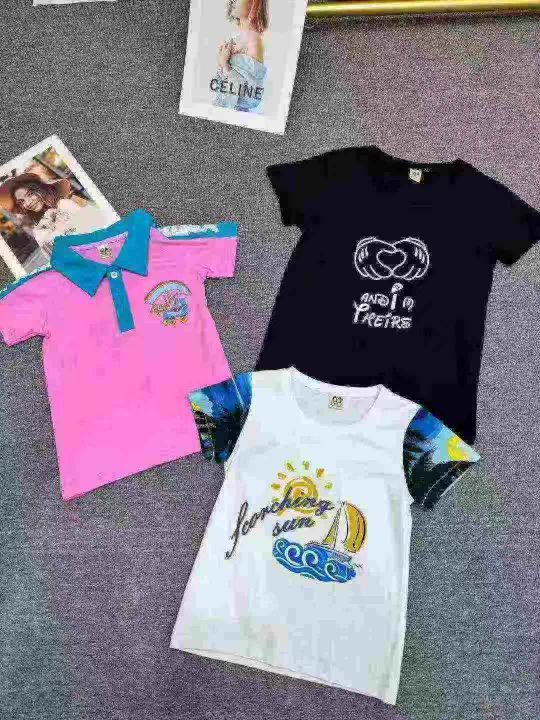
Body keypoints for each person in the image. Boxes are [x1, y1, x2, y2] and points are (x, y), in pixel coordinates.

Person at [0, 173, 104, 256]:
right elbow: (54, 261)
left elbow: (100, 232)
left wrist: (106, 257)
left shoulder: (65, 204)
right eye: (21, 201)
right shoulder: (38, 231)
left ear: (39, 190)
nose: (28, 202)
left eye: (30, 194)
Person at [213, 0, 269, 113]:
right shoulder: (241, 35)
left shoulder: (253, 39)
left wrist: (225, 64)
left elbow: (247, 96)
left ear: (253, 3)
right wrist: (223, 62)